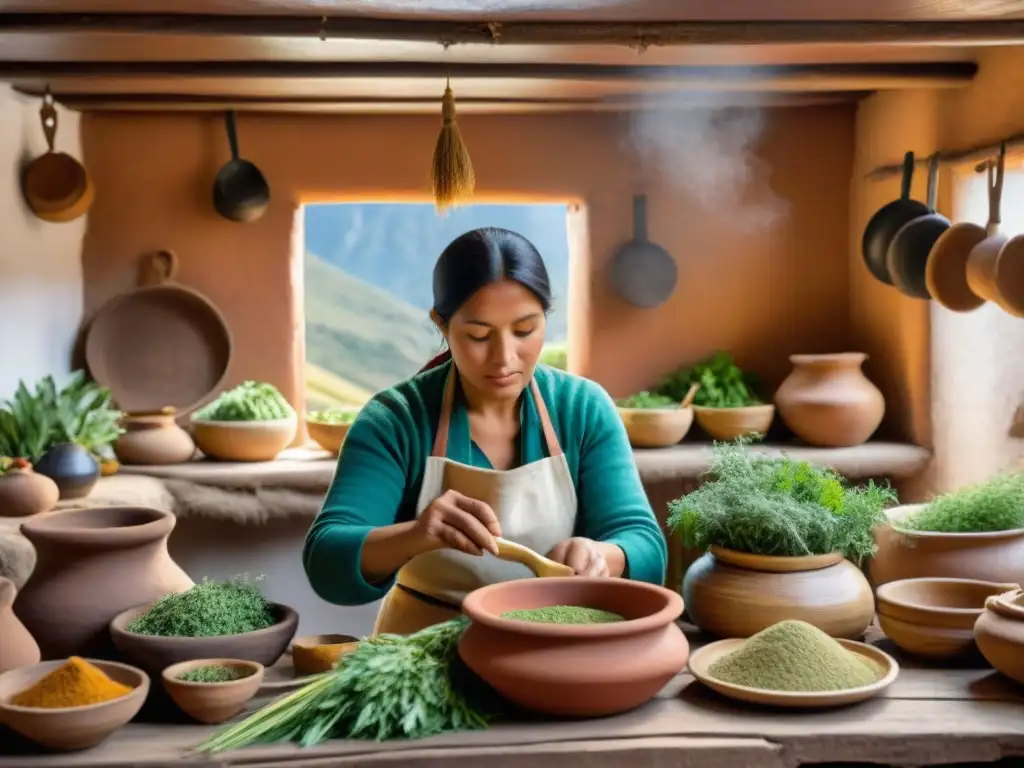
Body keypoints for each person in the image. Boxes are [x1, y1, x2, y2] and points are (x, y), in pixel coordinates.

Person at [302, 226, 667, 636]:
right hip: (418, 652)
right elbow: (326, 560)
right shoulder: (395, 420)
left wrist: (604, 556)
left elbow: (644, 545)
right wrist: (416, 535)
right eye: (478, 335)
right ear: (441, 323)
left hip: (552, 642)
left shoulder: (583, 409)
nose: (504, 358)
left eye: (525, 331)